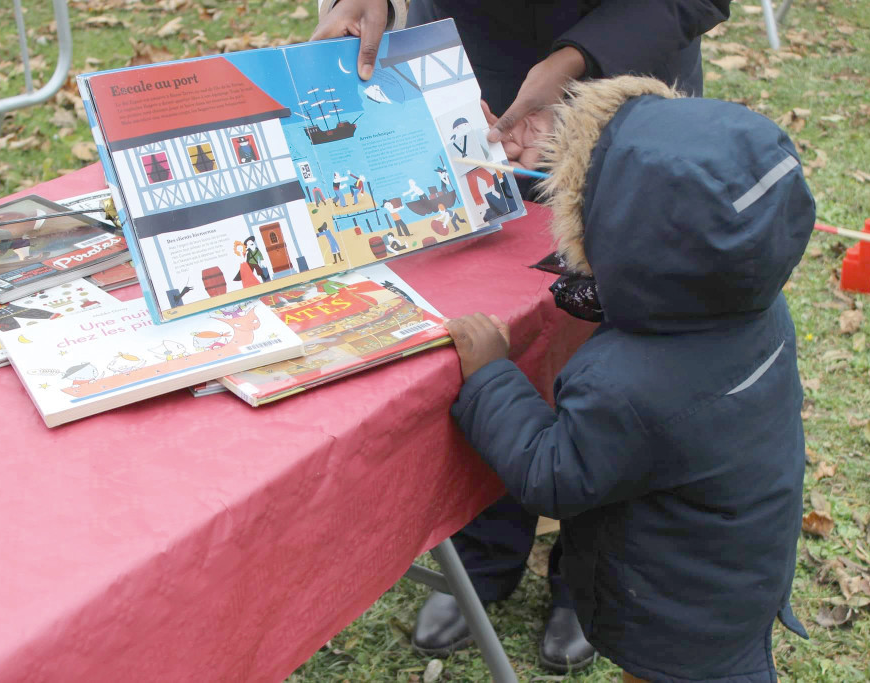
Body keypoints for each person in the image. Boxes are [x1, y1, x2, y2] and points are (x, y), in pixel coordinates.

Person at [312, 0, 731, 672]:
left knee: (611, 327)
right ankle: (483, 550)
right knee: (482, 312)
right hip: (472, 62)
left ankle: (587, 575)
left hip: (623, 72)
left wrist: (571, 65)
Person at [444, 75, 814, 682]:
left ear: (628, 231)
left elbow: (551, 473)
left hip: (668, 615)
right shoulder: (755, 308)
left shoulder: (627, 385)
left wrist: (490, 376)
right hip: (736, 574)